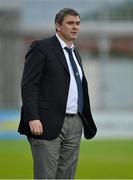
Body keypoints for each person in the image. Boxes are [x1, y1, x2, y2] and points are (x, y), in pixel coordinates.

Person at [18, 8, 97, 179]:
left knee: (67, 176)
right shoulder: (42, 47)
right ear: (58, 26)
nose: (75, 27)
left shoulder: (75, 53)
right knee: (46, 176)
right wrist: (33, 117)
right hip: (45, 122)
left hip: (75, 123)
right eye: (70, 23)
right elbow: (29, 84)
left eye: (77, 23)